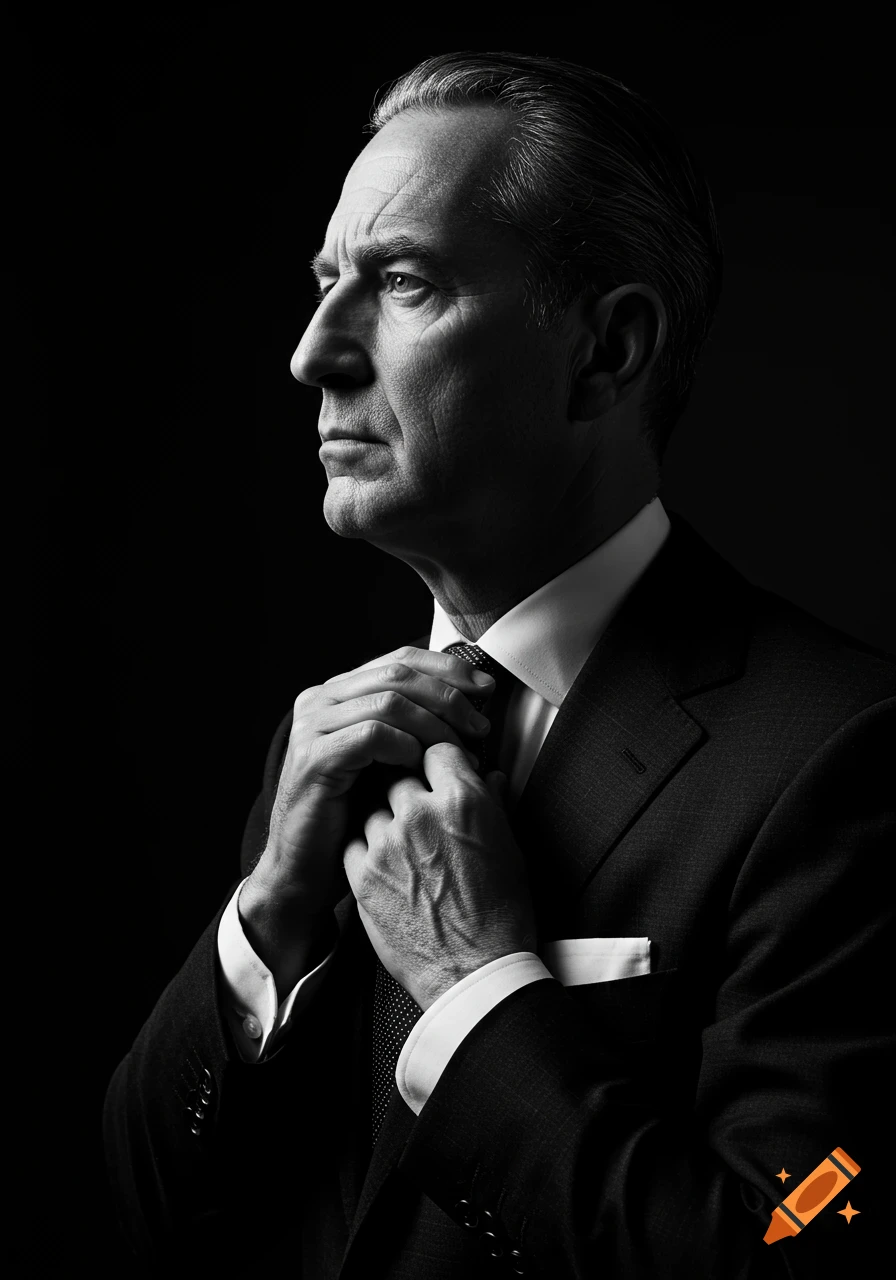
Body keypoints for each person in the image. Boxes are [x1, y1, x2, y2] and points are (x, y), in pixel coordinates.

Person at [103, 52, 894, 1278]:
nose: (315, 353)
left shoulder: (845, 755)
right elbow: (153, 1213)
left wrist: (476, 993)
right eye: (323, 287)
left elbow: (809, 1239)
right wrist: (261, 920)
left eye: (402, 281)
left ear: (606, 351)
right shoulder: (322, 755)